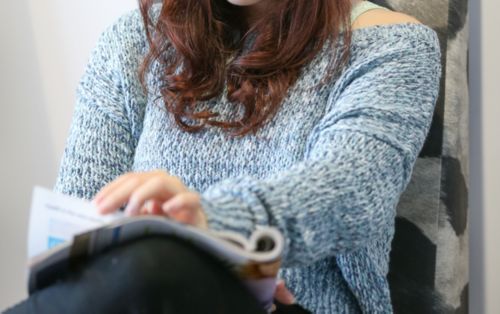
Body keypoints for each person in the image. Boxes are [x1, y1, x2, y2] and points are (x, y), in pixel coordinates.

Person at [5, 0, 442, 313]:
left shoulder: (394, 47)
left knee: (160, 262)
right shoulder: (133, 39)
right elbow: (81, 224)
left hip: (294, 305)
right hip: (139, 296)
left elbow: (348, 194)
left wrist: (208, 227)